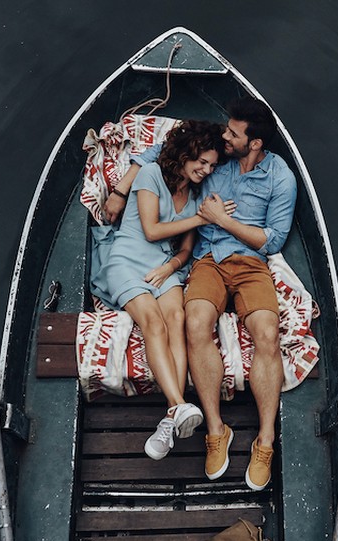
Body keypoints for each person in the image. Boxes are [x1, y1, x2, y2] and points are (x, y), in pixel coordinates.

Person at [89, 119, 225, 460]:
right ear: (186, 154)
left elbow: (185, 250)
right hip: (127, 260)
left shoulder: (195, 196)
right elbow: (151, 230)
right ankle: (179, 405)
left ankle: (170, 418)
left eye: (212, 165)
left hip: (163, 267)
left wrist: (171, 267)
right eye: (202, 162)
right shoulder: (150, 174)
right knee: (153, 323)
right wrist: (203, 218)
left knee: (176, 318)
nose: (206, 170)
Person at [187, 97, 297, 492]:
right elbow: (168, 150)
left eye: (233, 133)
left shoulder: (280, 177)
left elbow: (272, 240)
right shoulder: (217, 155)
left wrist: (223, 220)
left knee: (267, 333)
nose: (224, 135)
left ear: (255, 144)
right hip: (206, 261)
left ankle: (265, 440)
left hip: (250, 264)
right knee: (196, 323)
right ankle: (217, 430)